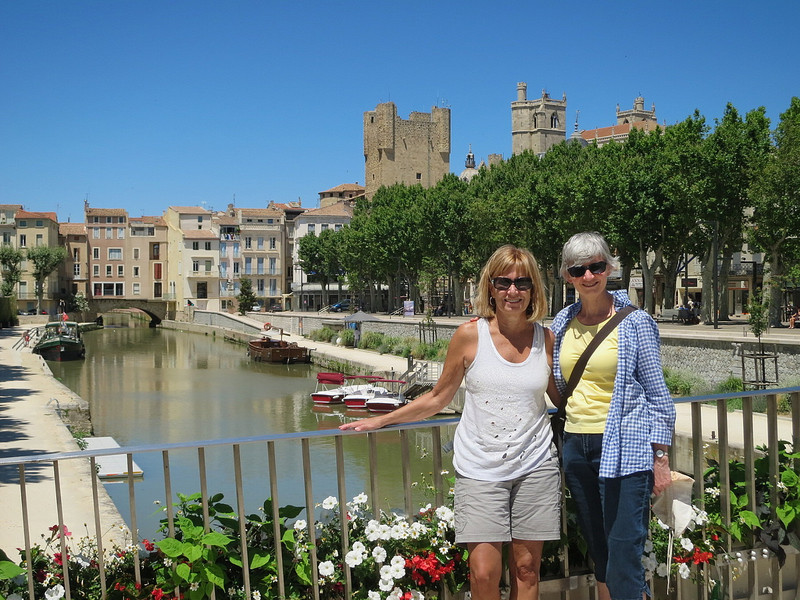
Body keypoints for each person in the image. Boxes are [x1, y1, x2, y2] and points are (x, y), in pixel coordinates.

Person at [340, 244, 561, 600]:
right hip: (480, 469)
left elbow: (559, 397)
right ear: (490, 287)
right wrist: (380, 421)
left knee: (526, 570)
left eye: (522, 283)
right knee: (484, 573)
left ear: (534, 288)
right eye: (503, 282)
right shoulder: (469, 335)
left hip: (535, 467)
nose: (513, 291)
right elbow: (438, 398)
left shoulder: (545, 339)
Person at [550, 232, 675, 600]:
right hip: (576, 447)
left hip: (624, 446)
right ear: (567, 275)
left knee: (624, 555)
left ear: (610, 267)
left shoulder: (634, 322)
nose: (589, 276)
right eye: (578, 269)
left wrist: (661, 456)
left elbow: (657, 392)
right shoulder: (562, 322)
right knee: (601, 556)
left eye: (596, 266)